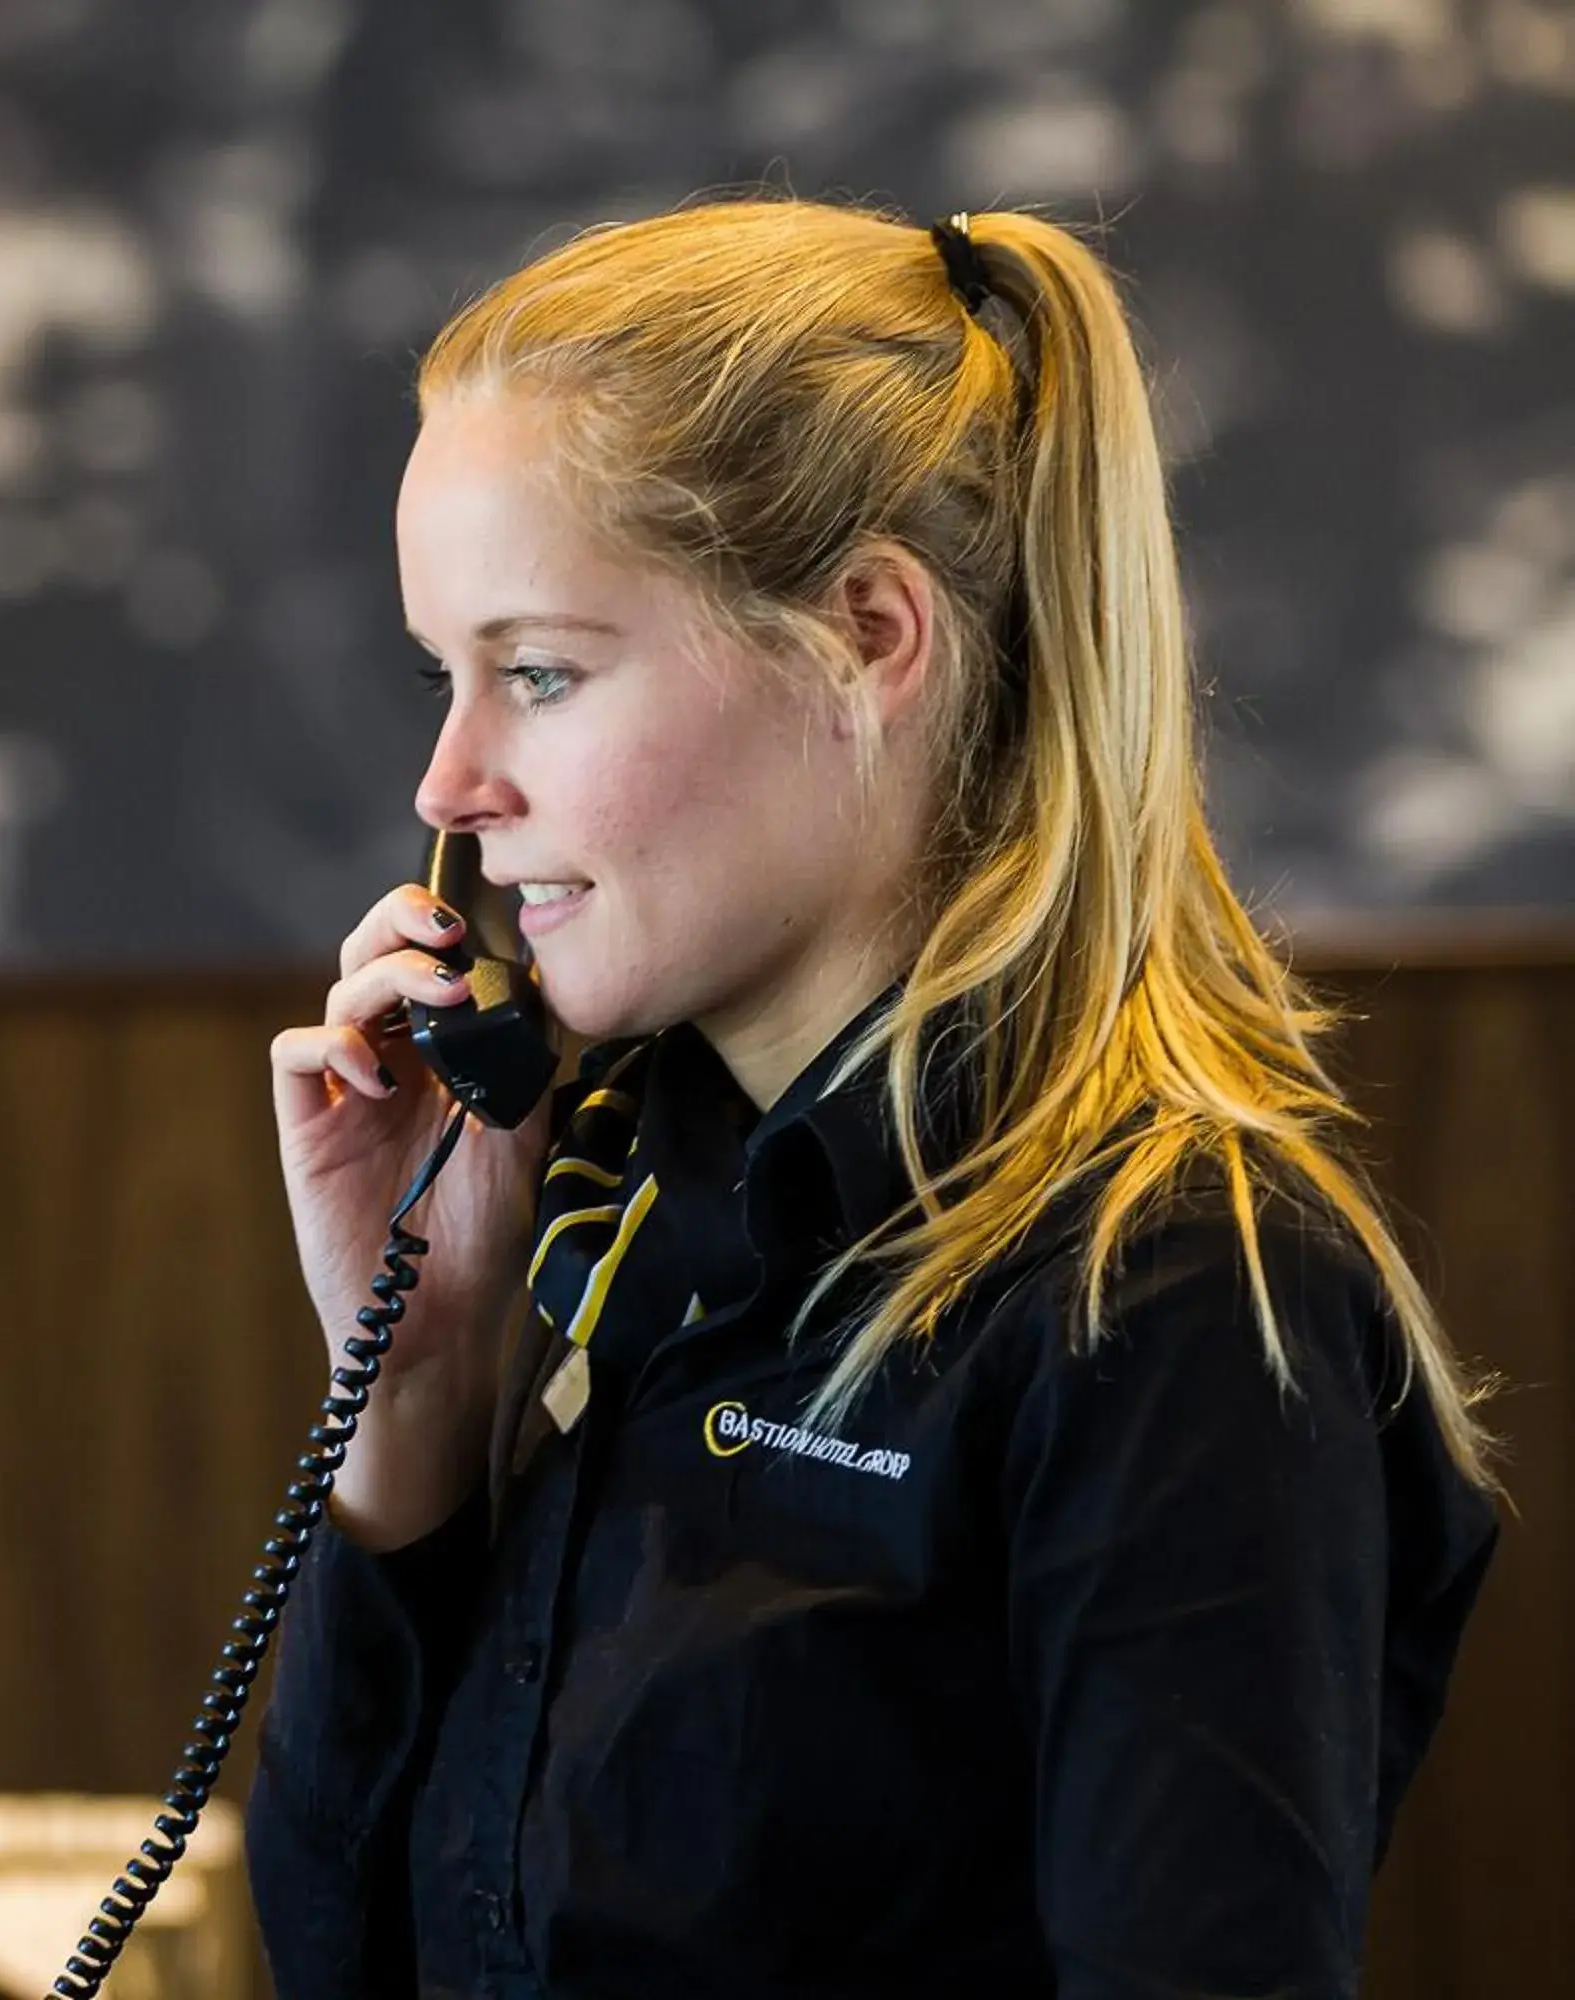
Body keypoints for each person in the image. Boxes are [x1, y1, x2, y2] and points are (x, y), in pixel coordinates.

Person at [247, 197, 1503, 1999]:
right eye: (442, 676)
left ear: (864, 631)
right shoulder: (606, 1198)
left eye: (538, 673)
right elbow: (344, 1956)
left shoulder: (1171, 1295)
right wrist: (420, 1386)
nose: (451, 782)